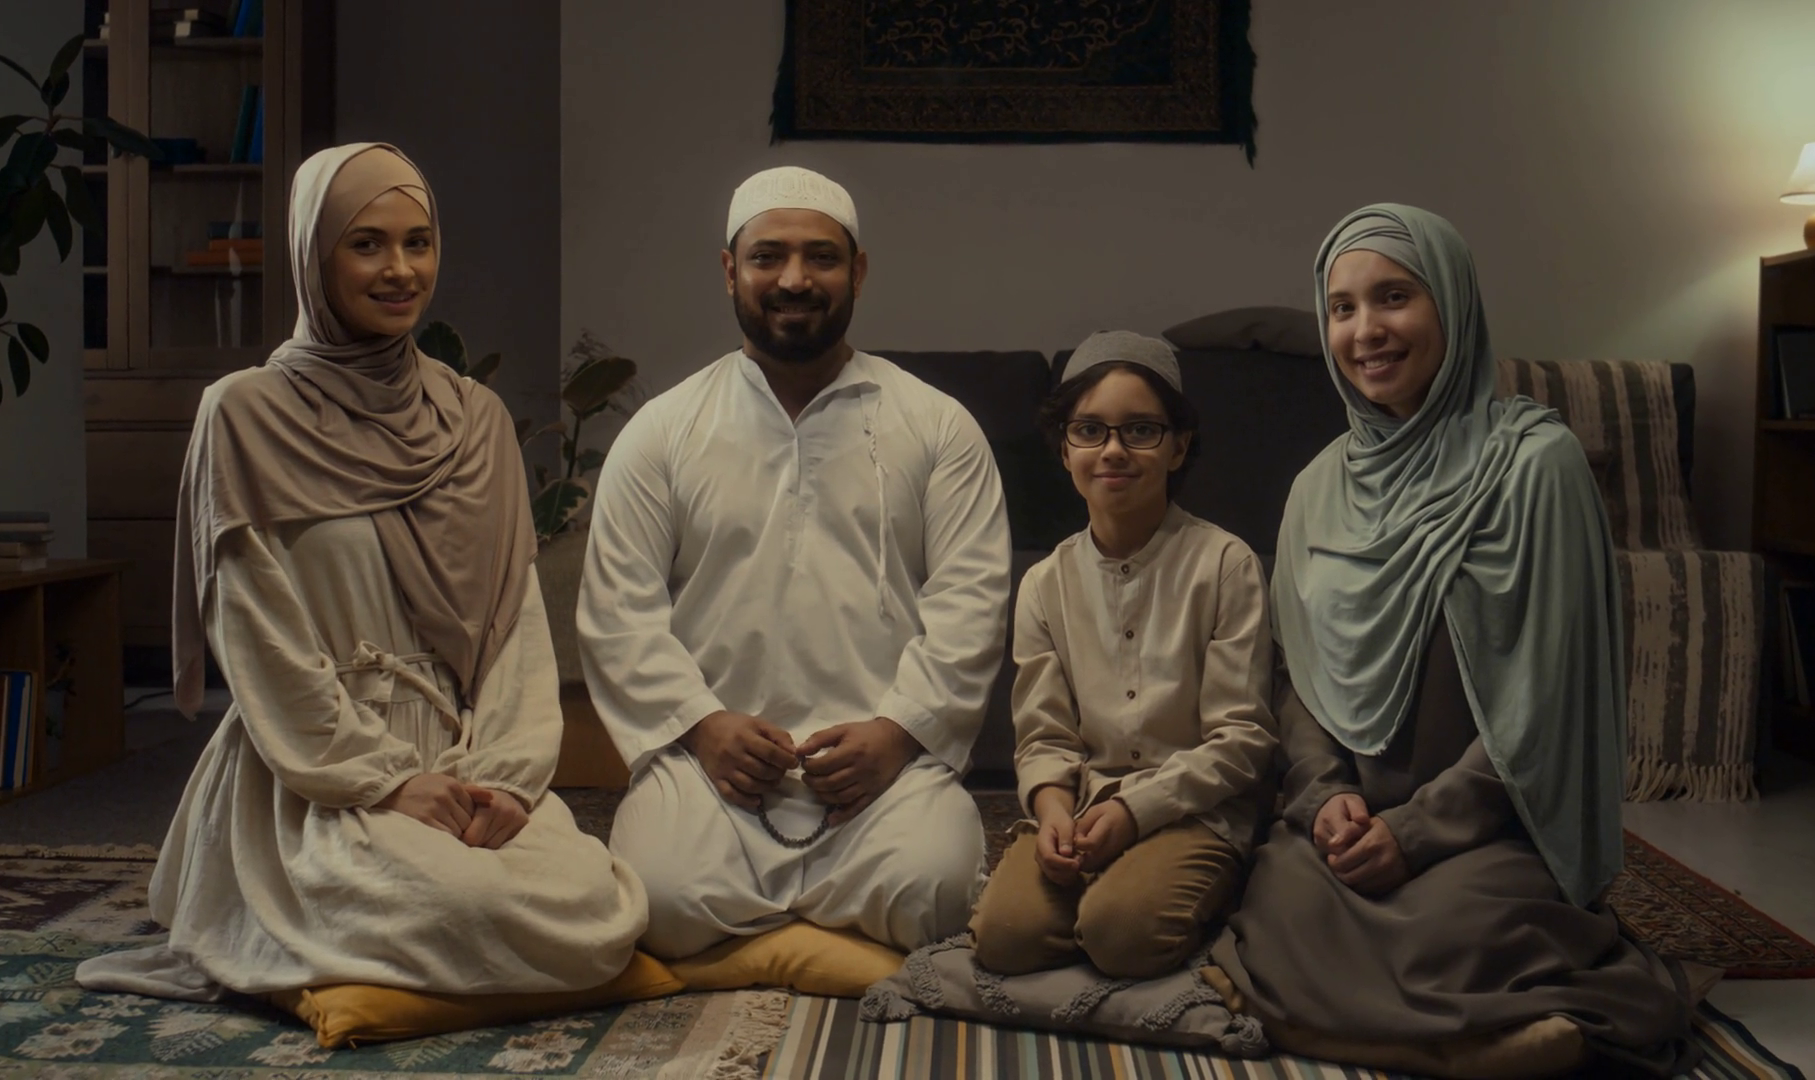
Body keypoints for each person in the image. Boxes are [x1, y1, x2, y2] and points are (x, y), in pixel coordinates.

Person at [73, 144, 648, 1003]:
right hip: (320, 772)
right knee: (459, 906)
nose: (400, 270)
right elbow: (258, 638)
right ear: (314, 255)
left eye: (418, 242)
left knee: (591, 906)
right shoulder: (245, 415)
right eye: (366, 244)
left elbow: (515, 628)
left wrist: (504, 779)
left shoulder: (475, 420)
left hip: (465, 759)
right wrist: (386, 782)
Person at [1212, 205, 1697, 1072]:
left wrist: (1418, 834)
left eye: (1394, 297)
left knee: (1451, 932)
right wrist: (1326, 798)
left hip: (1495, 826)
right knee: (1282, 898)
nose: (1366, 331)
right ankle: (1476, 1046)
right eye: (1343, 307)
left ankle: (1342, 1024)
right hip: (1352, 822)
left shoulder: (1534, 467)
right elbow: (1299, 677)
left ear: (1453, 303)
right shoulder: (1318, 488)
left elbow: (1547, 702)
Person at [579, 166, 1011, 960]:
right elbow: (618, 612)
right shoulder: (664, 431)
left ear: (859, 271)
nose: (794, 280)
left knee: (935, 892)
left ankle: (766, 932)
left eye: (821, 257)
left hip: (884, 769)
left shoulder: (938, 426)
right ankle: (832, 931)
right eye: (767, 257)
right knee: (660, 901)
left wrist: (897, 732)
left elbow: (972, 604)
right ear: (729, 270)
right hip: (711, 769)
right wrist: (703, 726)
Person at [968, 331, 1277, 980]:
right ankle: (1108, 902)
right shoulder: (1044, 584)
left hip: (1194, 809)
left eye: (1140, 430)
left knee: (1121, 936)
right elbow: (1044, 736)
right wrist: (1053, 812)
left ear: (1178, 446)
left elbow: (1241, 739)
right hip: (1086, 808)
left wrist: (1136, 812)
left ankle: (1166, 903)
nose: (1112, 450)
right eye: (1089, 431)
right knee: (1004, 939)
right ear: (1065, 449)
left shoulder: (1226, 565)